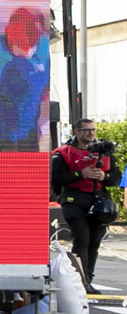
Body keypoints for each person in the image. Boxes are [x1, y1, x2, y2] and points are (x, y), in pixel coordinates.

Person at [51, 119, 118, 292]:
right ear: (76, 132)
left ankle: (88, 278)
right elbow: (55, 180)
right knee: (82, 237)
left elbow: (116, 177)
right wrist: (80, 174)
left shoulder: (105, 152)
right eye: (86, 130)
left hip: (99, 201)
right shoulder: (62, 153)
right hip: (74, 200)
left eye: (93, 130)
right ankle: (80, 282)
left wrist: (104, 177)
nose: (90, 133)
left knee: (94, 241)